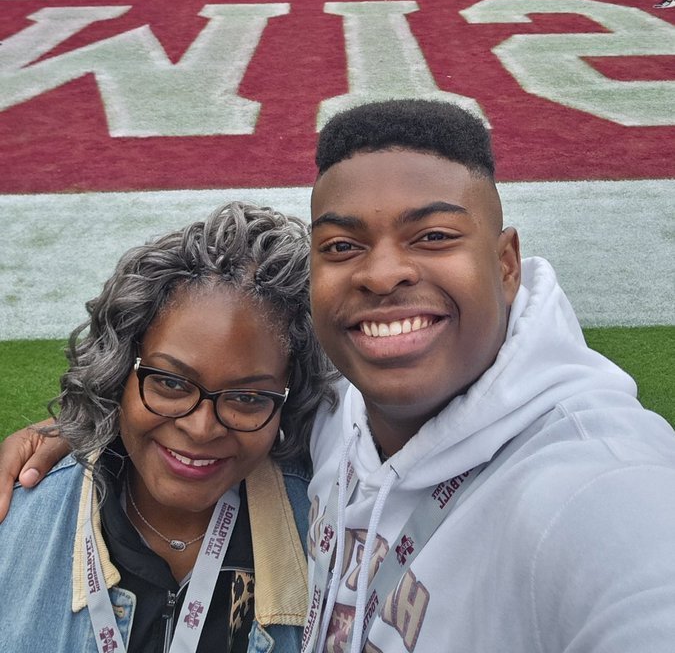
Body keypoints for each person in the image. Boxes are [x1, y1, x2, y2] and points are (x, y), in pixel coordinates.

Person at [4, 102, 675, 651]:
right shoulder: (338, 413)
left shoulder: (598, 486)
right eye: (342, 246)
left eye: (434, 235)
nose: (382, 274)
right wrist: (85, 427)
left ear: (506, 263)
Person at [0, 201, 337, 652]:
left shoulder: (332, 532)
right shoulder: (17, 524)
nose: (201, 429)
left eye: (247, 397)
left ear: (288, 399)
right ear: (119, 372)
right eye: (171, 383)